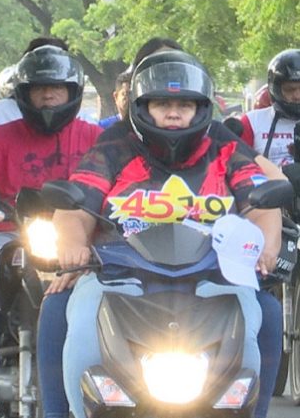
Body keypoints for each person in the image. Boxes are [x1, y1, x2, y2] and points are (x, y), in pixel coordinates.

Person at [55, 50, 281, 418]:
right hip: (120, 276)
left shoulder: (224, 146)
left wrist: (267, 249)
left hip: (214, 276)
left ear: (202, 108)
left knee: (266, 313)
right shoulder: (113, 145)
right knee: (64, 312)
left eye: (185, 104)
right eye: (162, 103)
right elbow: (76, 205)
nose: (174, 112)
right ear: (142, 108)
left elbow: (261, 203)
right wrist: (72, 245)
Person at [0, 45, 102, 418]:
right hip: (12, 232)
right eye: (38, 89)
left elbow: (121, 184)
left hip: (82, 240)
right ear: (24, 94)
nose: (48, 95)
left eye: (57, 88)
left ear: (72, 92)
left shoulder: (97, 138)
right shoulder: (1, 136)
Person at [240, 49, 300, 167]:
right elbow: (237, 168)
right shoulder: (252, 122)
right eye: (290, 89)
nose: (297, 96)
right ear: (275, 89)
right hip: (266, 184)